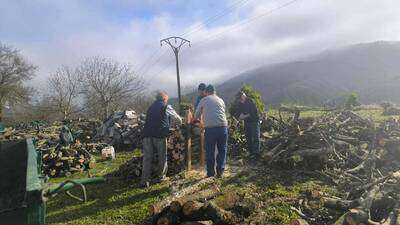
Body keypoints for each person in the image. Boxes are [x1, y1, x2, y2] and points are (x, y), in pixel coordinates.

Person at [140, 91, 182, 187]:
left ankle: (144, 181)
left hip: (147, 134)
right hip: (159, 134)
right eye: (166, 99)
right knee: (162, 156)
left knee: (147, 158)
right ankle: (161, 177)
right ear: (164, 99)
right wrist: (180, 123)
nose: (167, 101)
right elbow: (177, 118)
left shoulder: (151, 107)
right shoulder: (165, 106)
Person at [194, 85, 228, 178]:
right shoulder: (221, 100)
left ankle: (210, 173)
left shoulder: (204, 100)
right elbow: (223, 112)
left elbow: (196, 115)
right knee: (222, 150)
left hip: (210, 129)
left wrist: (194, 121)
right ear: (214, 92)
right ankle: (220, 171)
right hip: (223, 127)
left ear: (206, 92)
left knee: (210, 151)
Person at [236, 91, 260, 157]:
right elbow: (238, 112)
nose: (240, 100)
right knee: (248, 137)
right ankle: (251, 152)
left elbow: (254, 112)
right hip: (247, 122)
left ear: (244, 96)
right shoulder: (239, 103)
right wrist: (240, 116)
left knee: (255, 137)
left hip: (254, 121)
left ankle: (256, 153)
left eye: (241, 98)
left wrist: (244, 116)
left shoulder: (250, 101)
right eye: (239, 99)